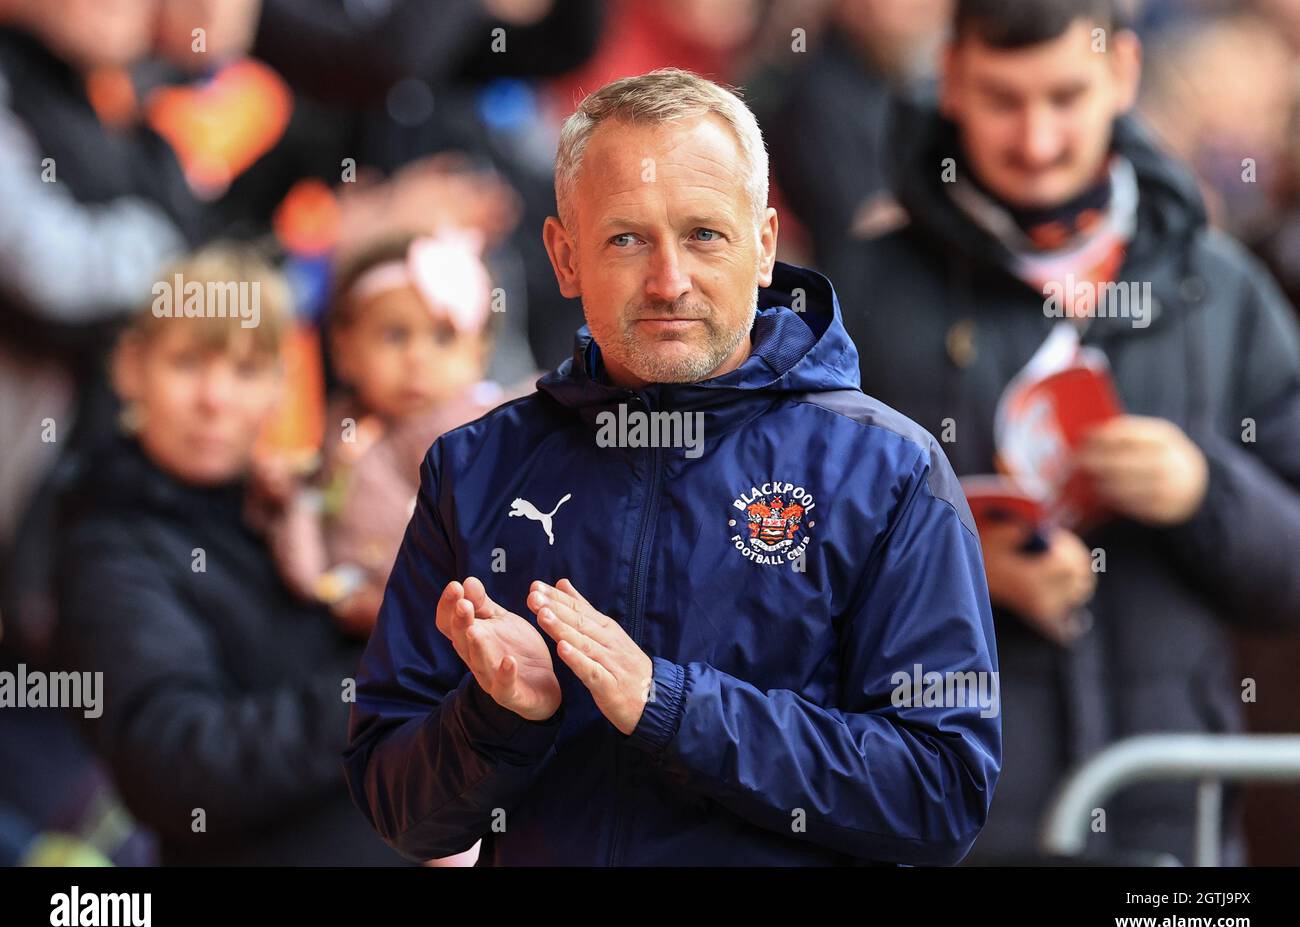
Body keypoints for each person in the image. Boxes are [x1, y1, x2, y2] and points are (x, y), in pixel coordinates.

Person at [343, 68, 1001, 866]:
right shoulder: (477, 465)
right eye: (625, 238)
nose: (669, 281)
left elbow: (942, 793)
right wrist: (498, 719)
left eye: (703, 234)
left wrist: (671, 706)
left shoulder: (890, 473)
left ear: (763, 246)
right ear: (564, 256)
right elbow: (398, 810)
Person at [827, 0, 1300, 864]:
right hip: (945, 813)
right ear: (955, 77)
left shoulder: (1220, 287)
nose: (1037, 139)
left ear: (1122, 72)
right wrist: (956, 566)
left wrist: (1205, 490)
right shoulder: (864, 290)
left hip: (1175, 821)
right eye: (1005, 99)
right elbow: (776, 552)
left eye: (1065, 97)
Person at [54, 244, 404, 865]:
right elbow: (175, 766)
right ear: (131, 369)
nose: (215, 398)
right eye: (188, 363)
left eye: (245, 371)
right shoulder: (110, 544)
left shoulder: (297, 507)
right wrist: (391, 679)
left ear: (279, 387)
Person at [266, 229, 534, 639]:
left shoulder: (483, 428)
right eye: (394, 336)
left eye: (443, 337)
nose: (417, 358)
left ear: (479, 351)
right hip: (349, 613)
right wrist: (287, 496)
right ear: (343, 350)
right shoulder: (341, 427)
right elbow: (318, 500)